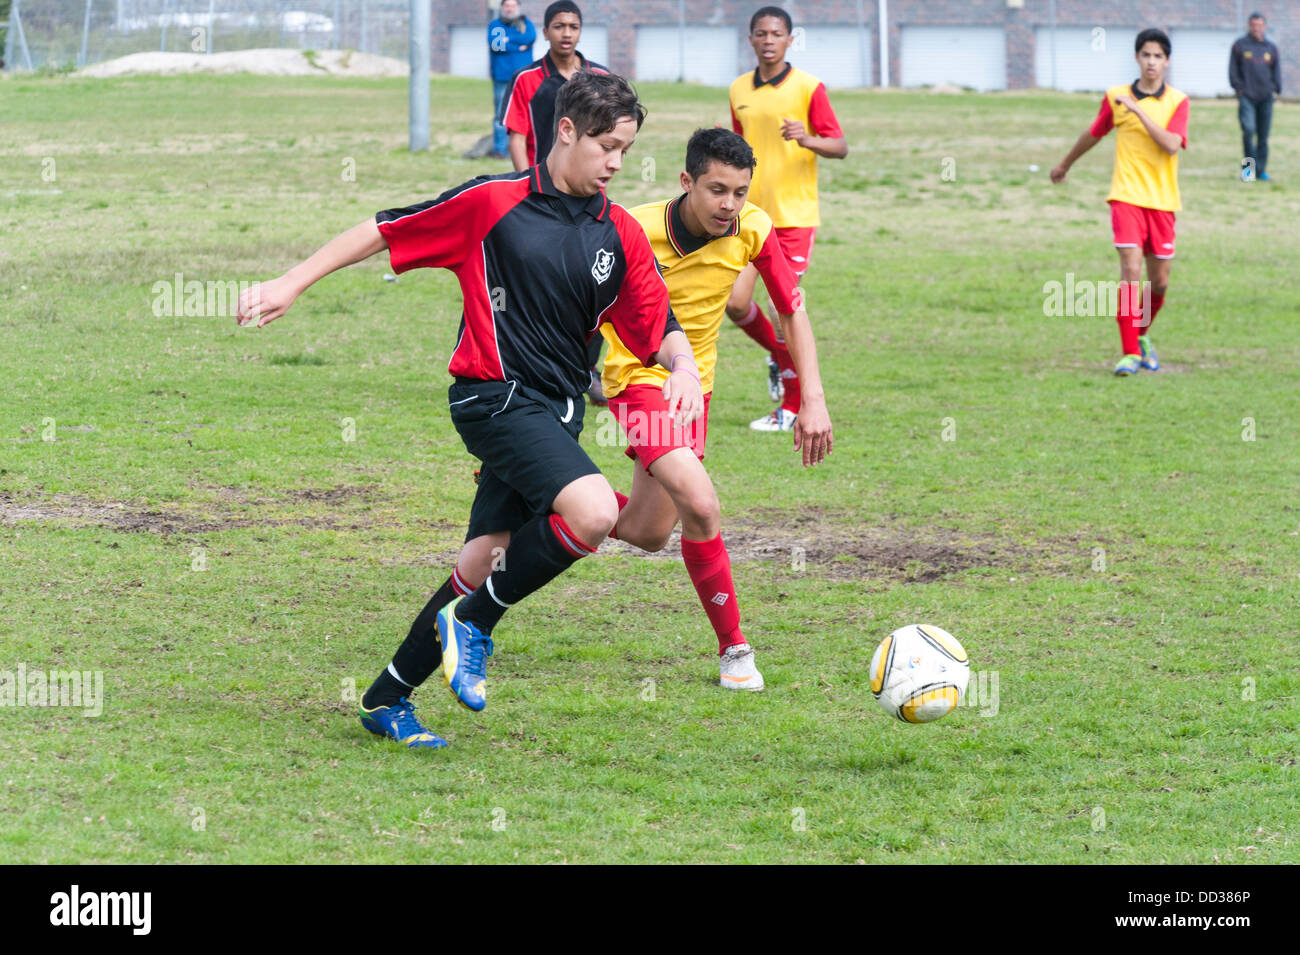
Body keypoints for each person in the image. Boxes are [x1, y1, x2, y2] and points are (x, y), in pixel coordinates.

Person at [236, 73, 703, 748]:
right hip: (492, 398)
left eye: (626, 150)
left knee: (484, 557)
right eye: (606, 146)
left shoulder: (618, 231)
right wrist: (290, 282)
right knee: (596, 511)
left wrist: (682, 364)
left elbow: (656, 320)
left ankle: (386, 698)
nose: (616, 163)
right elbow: (385, 228)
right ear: (565, 132)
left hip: (554, 412)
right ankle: (475, 623)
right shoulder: (493, 203)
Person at [602, 128, 833, 690]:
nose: (730, 205)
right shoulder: (630, 228)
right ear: (686, 182)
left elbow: (791, 310)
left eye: (740, 192)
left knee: (649, 531)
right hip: (637, 379)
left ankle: (540, 490)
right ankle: (735, 650)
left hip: (694, 391)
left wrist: (813, 401)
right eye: (717, 190)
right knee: (702, 506)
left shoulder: (753, 228)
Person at [726, 5, 847, 432]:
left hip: (794, 218)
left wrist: (807, 138)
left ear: (790, 39)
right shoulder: (738, 88)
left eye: (777, 34)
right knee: (735, 303)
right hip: (750, 216)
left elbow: (840, 146)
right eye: (761, 34)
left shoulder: (809, 88)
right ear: (751, 39)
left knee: (785, 310)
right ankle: (780, 357)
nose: (768, 40)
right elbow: (735, 151)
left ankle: (793, 408)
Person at [1050, 28, 1189, 377]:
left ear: (1167, 61)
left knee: (1159, 283)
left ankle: (1140, 336)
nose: (1152, 62)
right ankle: (1129, 353)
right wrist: (1065, 164)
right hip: (1125, 197)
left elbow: (1171, 145)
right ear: (1137, 58)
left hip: (1162, 202)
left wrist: (1139, 111)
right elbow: (1094, 132)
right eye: (1146, 55)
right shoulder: (1116, 96)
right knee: (1130, 272)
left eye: (1158, 56)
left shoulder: (1178, 101)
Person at [499, 0, 611, 405]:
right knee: (530, 280)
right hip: (539, 194)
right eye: (559, 26)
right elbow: (515, 134)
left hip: (586, 195)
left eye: (573, 26)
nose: (566, 33)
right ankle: (525, 364)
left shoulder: (599, 78)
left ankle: (585, 369)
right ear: (544, 32)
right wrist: (523, 183)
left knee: (594, 279)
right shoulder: (526, 78)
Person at [1230, 12, 1281, 182]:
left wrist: (1276, 89)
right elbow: (1233, 70)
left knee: (1263, 137)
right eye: (1253, 25)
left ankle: (1261, 172)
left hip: (1266, 98)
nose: (1256, 28)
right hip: (1247, 97)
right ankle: (1248, 172)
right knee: (1249, 131)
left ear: (1264, 27)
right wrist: (1239, 89)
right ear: (1249, 26)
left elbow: (1276, 72)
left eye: (1260, 25)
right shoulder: (1240, 46)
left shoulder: (1271, 48)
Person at [488, 0, 536, 161]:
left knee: (526, 113)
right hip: (501, 77)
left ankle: (525, 148)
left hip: (523, 78)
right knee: (500, 116)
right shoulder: (495, 25)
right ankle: (500, 150)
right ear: (502, 8)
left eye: (512, 6)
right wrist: (517, 46)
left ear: (518, 8)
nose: (509, 9)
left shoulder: (526, 24)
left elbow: (530, 38)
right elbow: (496, 46)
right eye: (507, 6)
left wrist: (508, 40)